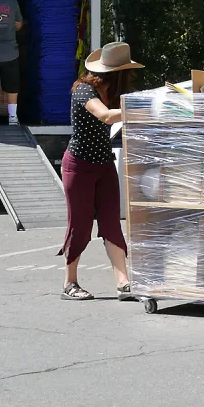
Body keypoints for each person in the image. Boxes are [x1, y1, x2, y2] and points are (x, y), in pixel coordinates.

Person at [59, 41, 142, 301]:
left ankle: (123, 284)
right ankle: (69, 283)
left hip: (104, 164)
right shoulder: (84, 91)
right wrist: (140, 110)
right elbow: (105, 116)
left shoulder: (115, 92)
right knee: (80, 225)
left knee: (111, 223)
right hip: (79, 166)